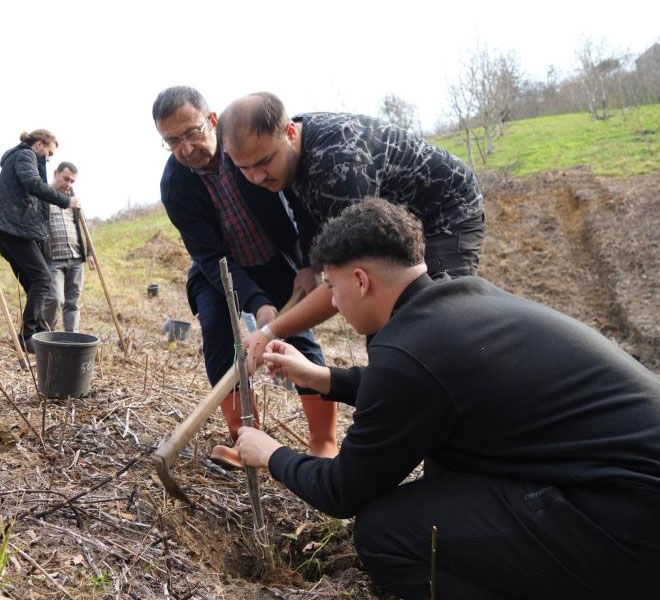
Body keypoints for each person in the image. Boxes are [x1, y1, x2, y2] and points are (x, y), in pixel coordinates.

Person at [236, 197, 660, 599]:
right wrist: (323, 378)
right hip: (629, 488)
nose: (332, 300)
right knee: (444, 469)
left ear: (361, 280)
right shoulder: (462, 300)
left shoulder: (407, 349)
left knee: (384, 534)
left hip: (625, 523)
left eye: (332, 286)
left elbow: (342, 491)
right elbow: (424, 389)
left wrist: (271, 453)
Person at [218, 92, 486, 367]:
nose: (256, 177)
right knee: (386, 327)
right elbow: (309, 209)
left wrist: (270, 332)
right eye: (245, 168)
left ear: (289, 131)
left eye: (264, 162)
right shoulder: (288, 159)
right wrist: (310, 265)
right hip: (392, 224)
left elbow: (350, 275)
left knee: (433, 316)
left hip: (444, 212)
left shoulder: (339, 164)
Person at [152, 86, 337, 468]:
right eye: (172, 141)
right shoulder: (175, 185)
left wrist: (306, 263)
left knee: (297, 336)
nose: (186, 148)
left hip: (271, 257)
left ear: (212, 121)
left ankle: (324, 442)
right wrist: (258, 304)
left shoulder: (247, 148)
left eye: (192, 132)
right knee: (219, 337)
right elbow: (209, 255)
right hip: (217, 269)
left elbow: (297, 206)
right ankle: (244, 441)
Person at [0, 130, 80, 351]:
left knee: (32, 282)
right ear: (39, 144)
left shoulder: (20, 157)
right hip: (12, 229)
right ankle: (29, 335)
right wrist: (67, 201)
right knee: (43, 278)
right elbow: (33, 184)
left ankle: (37, 333)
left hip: (9, 229)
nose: (48, 158)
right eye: (49, 152)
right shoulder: (25, 155)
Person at [42, 161, 95, 333]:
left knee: (73, 301)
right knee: (55, 299)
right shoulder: (43, 197)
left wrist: (89, 253)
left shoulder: (75, 201)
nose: (68, 184)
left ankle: (71, 338)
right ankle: (47, 336)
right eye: (66, 179)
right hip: (53, 259)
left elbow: (82, 227)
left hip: (76, 259)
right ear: (55, 173)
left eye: (72, 181)